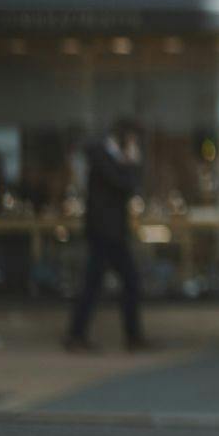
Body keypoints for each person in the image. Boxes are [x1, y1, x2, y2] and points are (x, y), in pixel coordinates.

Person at [64, 119, 150, 352]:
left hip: (111, 232)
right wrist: (132, 161)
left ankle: (80, 334)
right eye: (132, 140)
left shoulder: (108, 156)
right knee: (117, 282)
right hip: (105, 232)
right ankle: (80, 335)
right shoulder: (101, 155)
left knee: (102, 284)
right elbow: (126, 184)